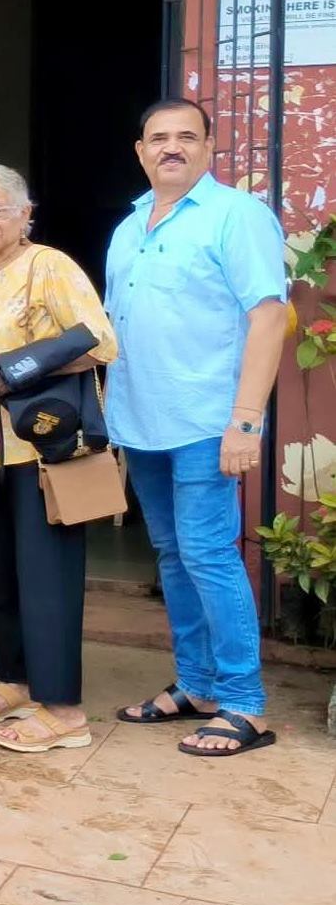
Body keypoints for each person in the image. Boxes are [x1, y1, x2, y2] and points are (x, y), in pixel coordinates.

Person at [108, 98, 289, 757]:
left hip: (208, 421)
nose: (172, 147)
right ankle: (199, 685)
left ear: (210, 147)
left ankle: (244, 702)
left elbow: (268, 316)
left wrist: (246, 420)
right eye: (159, 137)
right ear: (141, 151)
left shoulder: (237, 215)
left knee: (209, 554)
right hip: (142, 423)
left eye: (187, 136)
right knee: (173, 554)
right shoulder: (129, 226)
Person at [0, 163, 117, 753]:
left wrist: (19, 369)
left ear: (26, 213)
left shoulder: (47, 265)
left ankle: (64, 711)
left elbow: (101, 341)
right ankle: (17, 683)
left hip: (43, 450)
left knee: (47, 580)